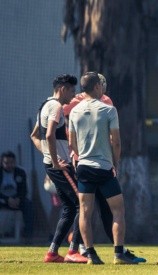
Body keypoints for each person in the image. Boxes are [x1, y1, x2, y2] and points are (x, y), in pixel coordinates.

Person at [63, 73, 145, 263]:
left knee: (85, 211)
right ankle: (118, 254)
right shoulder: (109, 110)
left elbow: (71, 142)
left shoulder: (74, 111)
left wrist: (82, 155)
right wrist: (115, 163)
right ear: (97, 87)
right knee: (118, 211)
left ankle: (91, 254)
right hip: (104, 167)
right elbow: (116, 142)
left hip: (83, 167)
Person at [30, 74, 87, 263]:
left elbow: (34, 135)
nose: (73, 94)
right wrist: (54, 161)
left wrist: (47, 157)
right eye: (71, 90)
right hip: (60, 166)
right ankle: (73, 251)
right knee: (83, 203)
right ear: (62, 88)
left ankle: (53, 252)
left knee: (70, 208)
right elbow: (48, 135)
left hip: (54, 165)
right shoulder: (56, 107)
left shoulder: (44, 106)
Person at [0, 151, 34, 242]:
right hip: (2, 199)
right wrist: (7, 199)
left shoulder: (20, 172)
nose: (9, 165)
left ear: (14, 162)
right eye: (6, 163)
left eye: (11, 163)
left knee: (28, 204)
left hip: (16, 199)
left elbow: (24, 190)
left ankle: (28, 235)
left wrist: (18, 199)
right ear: (2, 162)